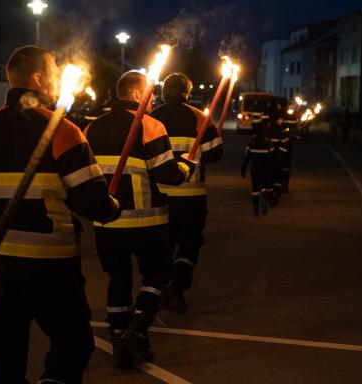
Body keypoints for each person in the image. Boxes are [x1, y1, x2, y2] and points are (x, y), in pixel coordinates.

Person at [0, 45, 121, 384]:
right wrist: (111, 206)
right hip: (52, 265)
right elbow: (94, 204)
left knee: (6, 359)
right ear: (38, 79)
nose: (58, 79)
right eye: (54, 72)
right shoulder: (63, 131)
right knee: (73, 343)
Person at [84, 70, 196, 367]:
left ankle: (119, 336)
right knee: (158, 275)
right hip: (147, 222)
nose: (154, 99)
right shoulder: (149, 124)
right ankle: (137, 330)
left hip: (107, 221)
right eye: (150, 93)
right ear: (136, 95)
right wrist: (187, 166)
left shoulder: (91, 129)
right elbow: (168, 175)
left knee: (118, 279)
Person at [150, 72, 223, 313]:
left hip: (159, 196)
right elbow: (215, 154)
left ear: (164, 91)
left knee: (164, 246)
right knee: (189, 244)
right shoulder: (199, 117)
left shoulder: (152, 117)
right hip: (192, 197)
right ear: (187, 92)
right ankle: (177, 287)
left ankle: (159, 291)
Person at [241, 123, 273, 215]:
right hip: (265, 170)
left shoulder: (251, 144)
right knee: (264, 186)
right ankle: (264, 196)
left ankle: (255, 208)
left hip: (254, 170)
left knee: (255, 188)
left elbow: (246, 158)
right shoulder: (268, 144)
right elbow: (273, 157)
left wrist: (243, 170)